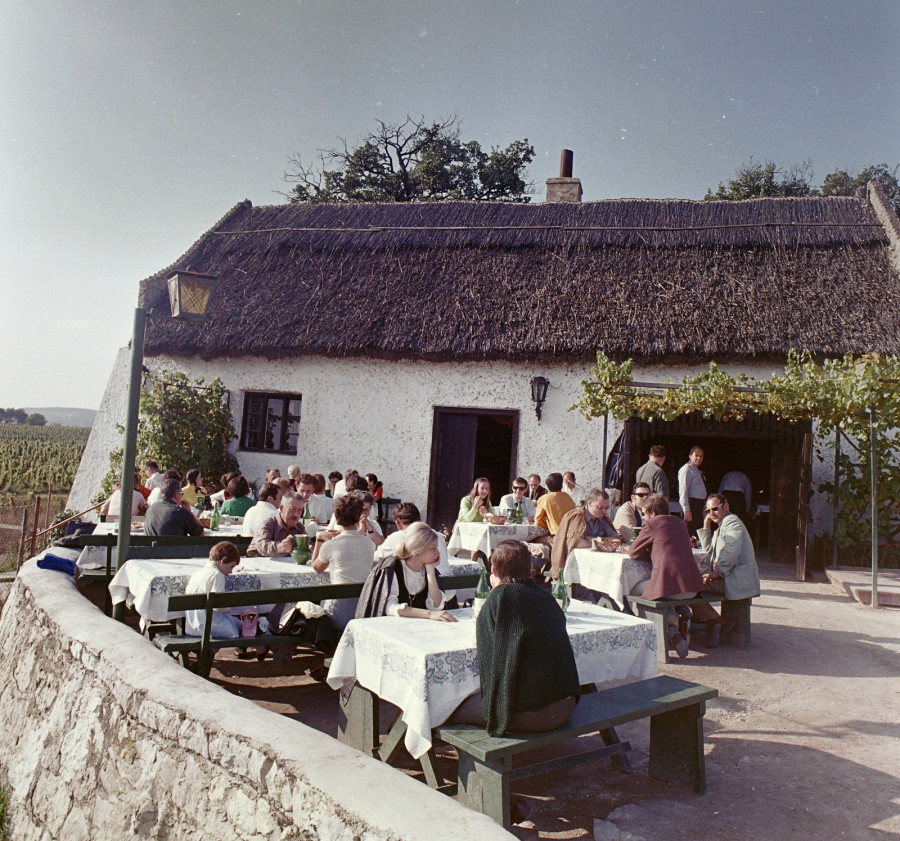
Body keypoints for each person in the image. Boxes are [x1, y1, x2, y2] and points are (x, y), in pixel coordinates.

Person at [448, 540, 579, 735]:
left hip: (537, 714)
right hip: (566, 705)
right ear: (530, 568)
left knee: (449, 709)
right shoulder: (547, 598)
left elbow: (491, 663)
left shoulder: (498, 600)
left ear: (493, 571)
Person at [628, 494, 718, 657]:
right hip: (692, 589)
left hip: (670, 591)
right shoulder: (680, 523)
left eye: (644, 514)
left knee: (633, 589)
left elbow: (633, 552)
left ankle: (671, 620)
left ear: (652, 513)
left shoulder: (652, 524)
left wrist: (648, 551)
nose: (644, 517)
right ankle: (681, 617)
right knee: (659, 584)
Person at [355, 522, 457, 621]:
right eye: (433, 548)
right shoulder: (392, 568)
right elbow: (390, 606)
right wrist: (429, 614)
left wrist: (430, 571)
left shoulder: (429, 569)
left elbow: (436, 606)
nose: (438, 553)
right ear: (417, 549)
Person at [697, 493, 761, 647]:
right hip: (730, 578)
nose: (711, 513)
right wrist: (706, 524)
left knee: (690, 586)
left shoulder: (732, 522)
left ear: (726, 506)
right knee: (691, 585)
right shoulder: (722, 526)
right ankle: (711, 620)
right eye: (708, 511)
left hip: (736, 581)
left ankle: (714, 621)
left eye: (715, 509)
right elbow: (708, 551)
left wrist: (718, 572)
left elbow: (732, 549)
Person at [310, 495, 375, 629]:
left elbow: (316, 567)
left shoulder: (331, 545)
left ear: (337, 518)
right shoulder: (370, 544)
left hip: (337, 612)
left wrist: (319, 539)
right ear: (358, 517)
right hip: (363, 610)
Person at [550, 488, 617, 577]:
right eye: (600, 507)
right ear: (590, 503)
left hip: (595, 563)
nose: (604, 511)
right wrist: (601, 543)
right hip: (573, 565)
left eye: (606, 508)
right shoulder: (577, 517)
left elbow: (615, 539)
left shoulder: (603, 519)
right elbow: (576, 542)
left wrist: (593, 539)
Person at [374, 502, 452, 575]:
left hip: (429, 581)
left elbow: (376, 559)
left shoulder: (397, 537)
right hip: (447, 581)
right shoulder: (437, 535)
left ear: (398, 524)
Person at [184, 541, 243, 638]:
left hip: (193, 625)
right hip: (208, 626)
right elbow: (218, 606)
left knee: (236, 622)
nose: (231, 571)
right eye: (231, 566)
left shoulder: (197, 573)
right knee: (235, 628)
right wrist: (228, 608)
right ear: (223, 561)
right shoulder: (217, 575)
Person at [248, 492, 309, 557]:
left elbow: (308, 545)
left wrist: (310, 548)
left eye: (300, 510)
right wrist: (282, 547)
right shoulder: (267, 524)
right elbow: (263, 547)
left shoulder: (300, 528)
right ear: (282, 508)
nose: (296, 514)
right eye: (292, 509)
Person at [534, 472, 575, 537]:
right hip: (571, 534)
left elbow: (538, 521)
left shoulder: (545, 498)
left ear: (548, 486)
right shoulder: (568, 497)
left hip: (556, 535)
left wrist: (548, 525)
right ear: (561, 485)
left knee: (535, 539)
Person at [678, 446, 707, 536]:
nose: (699, 458)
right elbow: (683, 489)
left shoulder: (697, 470)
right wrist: (686, 509)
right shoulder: (687, 469)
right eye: (696, 455)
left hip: (698, 505)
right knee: (688, 533)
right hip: (691, 505)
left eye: (701, 456)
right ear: (690, 456)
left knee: (696, 534)